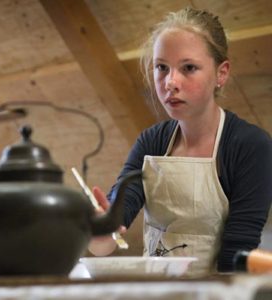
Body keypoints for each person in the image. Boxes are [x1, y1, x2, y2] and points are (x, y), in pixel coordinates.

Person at [89, 7, 272, 276]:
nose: (170, 82)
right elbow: (103, 245)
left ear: (221, 73)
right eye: (162, 67)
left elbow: (237, 256)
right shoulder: (152, 142)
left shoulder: (250, 146)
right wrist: (98, 225)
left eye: (188, 68)